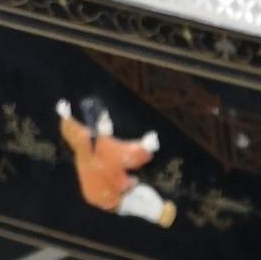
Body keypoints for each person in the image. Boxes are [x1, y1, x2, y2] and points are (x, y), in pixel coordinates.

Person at [55, 97, 176, 227]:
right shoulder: (105, 145)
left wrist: (66, 117)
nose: (110, 123)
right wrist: (145, 147)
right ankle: (160, 214)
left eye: (108, 119)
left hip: (100, 192)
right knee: (139, 202)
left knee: (141, 193)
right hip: (112, 197)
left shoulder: (84, 139)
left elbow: (72, 132)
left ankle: (159, 211)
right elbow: (127, 156)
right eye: (105, 121)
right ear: (95, 125)